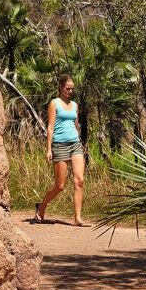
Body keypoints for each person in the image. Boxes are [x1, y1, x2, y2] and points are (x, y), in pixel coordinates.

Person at [34, 74, 88, 227]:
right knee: (60, 185)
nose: (70, 91)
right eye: (67, 88)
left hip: (75, 144)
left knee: (79, 181)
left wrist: (77, 138)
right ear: (61, 88)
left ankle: (77, 218)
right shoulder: (54, 103)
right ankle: (42, 206)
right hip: (60, 145)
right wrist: (49, 149)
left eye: (72, 89)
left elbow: (75, 124)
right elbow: (50, 127)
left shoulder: (75, 105)